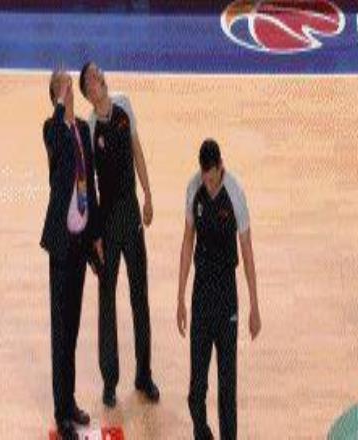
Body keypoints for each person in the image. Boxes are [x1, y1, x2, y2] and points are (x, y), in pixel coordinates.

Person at [79, 61, 159, 408]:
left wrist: (148, 194)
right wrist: (94, 232)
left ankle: (144, 375)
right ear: (88, 92)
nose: (101, 77)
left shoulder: (125, 104)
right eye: (94, 78)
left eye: (100, 73)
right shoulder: (90, 128)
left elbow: (138, 149)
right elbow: (87, 186)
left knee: (140, 296)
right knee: (107, 301)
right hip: (108, 223)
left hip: (131, 214)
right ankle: (110, 381)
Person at [176, 139, 262, 440]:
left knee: (227, 390)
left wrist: (254, 306)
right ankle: (203, 434)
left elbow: (247, 250)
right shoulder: (194, 189)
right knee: (195, 392)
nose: (210, 186)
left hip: (226, 297)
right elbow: (187, 241)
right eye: (206, 179)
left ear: (220, 168)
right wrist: (180, 298)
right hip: (201, 295)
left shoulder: (235, 194)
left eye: (213, 180)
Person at [41, 70, 103, 439]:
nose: (70, 89)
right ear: (55, 95)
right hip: (62, 246)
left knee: (74, 328)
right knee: (60, 331)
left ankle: (70, 401)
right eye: (62, 85)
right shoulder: (53, 131)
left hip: (80, 242)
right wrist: (59, 108)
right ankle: (61, 410)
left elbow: (89, 184)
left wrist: (95, 236)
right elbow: (56, 147)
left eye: (70, 84)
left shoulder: (81, 128)